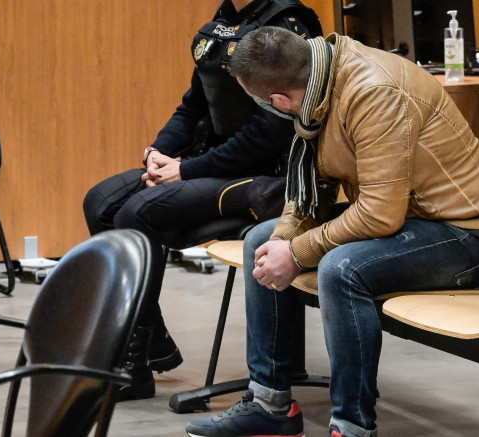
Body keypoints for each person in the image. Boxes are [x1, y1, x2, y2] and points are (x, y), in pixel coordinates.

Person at [184, 27, 479, 437]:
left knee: (341, 268)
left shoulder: (373, 93)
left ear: (280, 102)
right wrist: (285, 238)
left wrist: (299, 252)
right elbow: (311, 192)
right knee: (259, 240)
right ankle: (270, 405)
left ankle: (352, 425)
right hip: (408, 216)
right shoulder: (319, 80)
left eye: (263, 104)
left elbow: (378, 216)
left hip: (466, 233)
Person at [83, 0, 321, 401]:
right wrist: (158, 152)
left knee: (137, 212)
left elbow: (271, 133)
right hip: (212, 162)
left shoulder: (288, 23)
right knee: (99, 202)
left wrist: (185, 171)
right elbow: (192, 106)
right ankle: (149, 342)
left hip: (267, 177)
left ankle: (133, 362)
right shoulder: (226, 19)